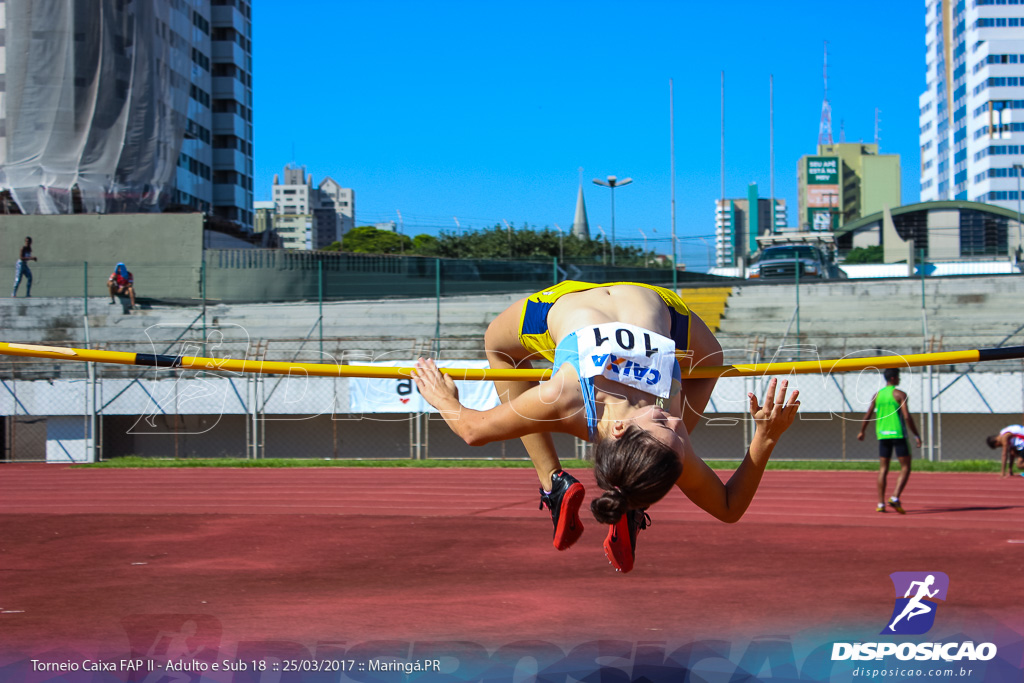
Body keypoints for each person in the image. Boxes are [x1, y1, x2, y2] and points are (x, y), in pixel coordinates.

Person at [411, 281, 801, 572]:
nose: (678, 422)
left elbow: (473, 430)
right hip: (662, 306)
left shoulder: (564, 397)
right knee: (711, 358)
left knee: (497, 346)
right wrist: (766, 438)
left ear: (620, 432)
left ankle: (553, 483)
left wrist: (443, 397)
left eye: (663, 421)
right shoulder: (669, 443)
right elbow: (729, 508)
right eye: (678, 432)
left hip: (566, 299)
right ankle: (630, 500)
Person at [857, 367, 922, 514]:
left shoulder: (877, 395)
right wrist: (916, 435)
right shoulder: (900, 394)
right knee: (905, 467)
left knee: (883, 469)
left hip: (882, 435)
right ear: (893, 378)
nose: (900, 379)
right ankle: (895, 496)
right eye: (898, 377)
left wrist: (862, 431)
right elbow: (906, 416)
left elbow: (868, 414)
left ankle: (880, 503)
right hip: (898, 434)